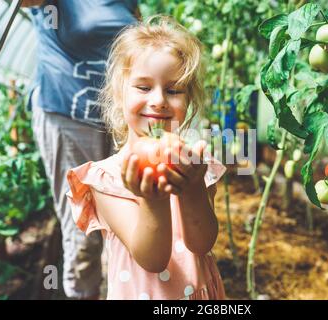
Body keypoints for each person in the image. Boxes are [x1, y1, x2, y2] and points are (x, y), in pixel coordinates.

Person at [66, 16, 226, 300]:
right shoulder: (107, 179)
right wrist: (153, 201)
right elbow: (152, 259)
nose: (159, 100)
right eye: (143, 87)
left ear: (188, 100)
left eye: (174, 90)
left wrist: (192, 188)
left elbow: (202, 244)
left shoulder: (196, 164)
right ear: (119, 93)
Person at [21, 0, 138, 299]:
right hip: (65, 114)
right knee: (82, 228)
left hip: (118, 120)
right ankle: (81, 294)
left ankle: (121, 291)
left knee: (127, 223)